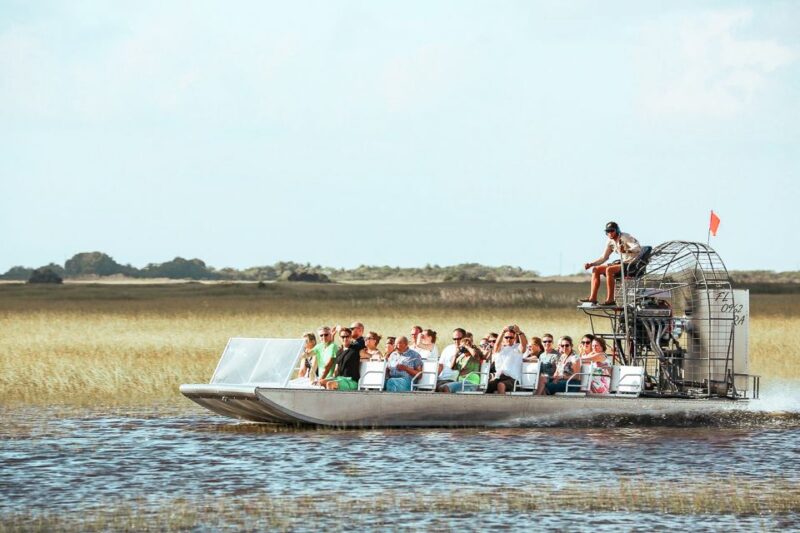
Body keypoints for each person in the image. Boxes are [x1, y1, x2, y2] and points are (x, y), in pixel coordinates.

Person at [580, 221, 641, 306]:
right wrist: (591, 264)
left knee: (609, 269)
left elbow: (638, 248)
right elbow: (604, 258)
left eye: (612, 231)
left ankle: (610, 300)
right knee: (596, 269)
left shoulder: (625, 237)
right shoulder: (610, 241)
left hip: (632, 264)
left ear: (617, 230)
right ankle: (592, 298)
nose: (610, 233)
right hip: (623, 263)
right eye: (607, 231)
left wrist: (626, 250)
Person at [486, 325, 527, 394]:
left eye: (511, 337)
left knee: (501, 385)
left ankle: (502, 404)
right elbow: (496, 346)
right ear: (503, 338)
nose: (508, 339)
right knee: (488, 386)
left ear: (514, 338)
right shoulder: (500, 348)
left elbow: (524, 345)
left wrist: (519, 332)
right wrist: (502, 332)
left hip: (513, 379)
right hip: (499, 377)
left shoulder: (517, 348)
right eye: (506, 337)